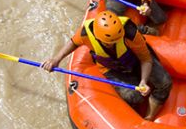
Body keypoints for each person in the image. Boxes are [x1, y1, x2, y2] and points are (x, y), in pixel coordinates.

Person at [41, 10, 172, 121]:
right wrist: (56, 59)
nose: (116, 42)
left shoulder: (130, 33)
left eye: (117, 39)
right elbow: (73, 42)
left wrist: (143, 81)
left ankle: (149, 117)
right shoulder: (86, 33)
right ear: (98, 37)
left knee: (165, 82)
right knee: (134, 97)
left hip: (136, 61)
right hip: (113, 69)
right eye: (111, 42)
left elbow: (145, 59)